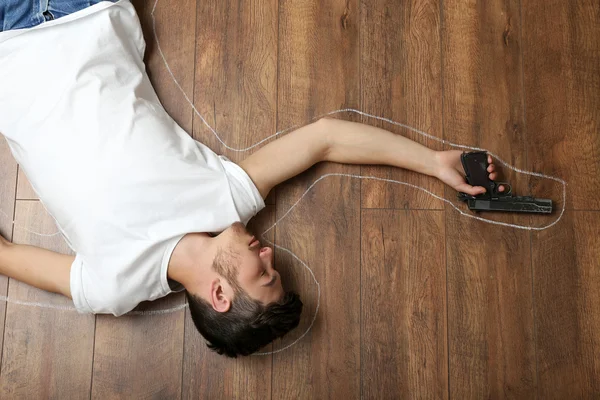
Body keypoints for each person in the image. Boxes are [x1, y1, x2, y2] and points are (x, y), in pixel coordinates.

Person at [0, 0, 503, 357]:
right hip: (90, 11)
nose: (268, 253)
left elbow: (5, 257)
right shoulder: (226, 200)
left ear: (219, 295)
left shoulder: (114, 287)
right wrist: (432, 162)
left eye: (263, 272)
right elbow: (325, 139)